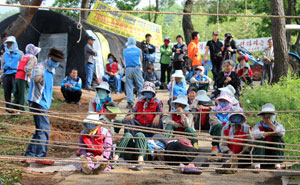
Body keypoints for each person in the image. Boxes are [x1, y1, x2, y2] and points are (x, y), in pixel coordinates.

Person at [24, 48, 64, 164]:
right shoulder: (40, 67)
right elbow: (36, 78)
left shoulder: (52, 69)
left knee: (39, 130)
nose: (56, 63)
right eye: (54, 60)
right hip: (38, 102)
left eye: (58, 61)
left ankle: (29, 154)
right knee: (44, 129)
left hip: (44, 103)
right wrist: (38, 79)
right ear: (48, 57)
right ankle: (41, 156)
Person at [112, 82, 163, 171]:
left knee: (159, 122)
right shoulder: (140, 101)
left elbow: (160, 112)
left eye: (149, 92)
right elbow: (134, 111)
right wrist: (132, 115)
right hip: (139, 124)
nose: (147, 93)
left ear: (153, 93)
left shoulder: (158, 102)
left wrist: (158, 115)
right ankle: (125, 144)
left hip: (150, 125)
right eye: (146, 92)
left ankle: (153, 142)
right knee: (128, 121)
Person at [79, 102, 122, 174]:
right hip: (90, 155)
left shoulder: (104, 132)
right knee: (87, 161)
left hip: (101, 154)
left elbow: (108, 147)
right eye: (88, 124)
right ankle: (88, 168)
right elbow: (82, 148)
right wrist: (89, 155)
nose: (89, 126)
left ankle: (98, 168)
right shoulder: (83, 133)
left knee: (103, 162)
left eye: (92, 124)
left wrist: (102, 156)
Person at [217, 108, 252, 173]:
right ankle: (228, 166)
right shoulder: (225, 128)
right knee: (227, 159)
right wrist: (230, 153)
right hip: (229, 153)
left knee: (243, 161)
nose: (236, 119)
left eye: (238, 117)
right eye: (234, 117)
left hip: (242, 153)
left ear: (241, 118)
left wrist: (241, 153)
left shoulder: (246, 128)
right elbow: (223, 143)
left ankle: (233, 167)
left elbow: (249, 143)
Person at [252, 103, 285, 171]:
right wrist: (268, 133)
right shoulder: (258, 125)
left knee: (278, 139)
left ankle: (277, 164)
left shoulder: (278, 125)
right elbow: (255, 134)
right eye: (265, 115)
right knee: (259, 140)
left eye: (270, 115)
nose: (267, 117)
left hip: (273, 154)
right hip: (262, 154)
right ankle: (257, 165)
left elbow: (281, 133)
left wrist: (270, 124)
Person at [13, 44, 40, 111]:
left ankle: (13, 108)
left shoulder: (24, 57)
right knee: (24, 94)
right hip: (24, 77)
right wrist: (30, 78)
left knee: (17, 93)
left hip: (17, 76)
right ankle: (24, 110)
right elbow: (28, 69)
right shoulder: (32, 58)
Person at [2, 36, 23, 111]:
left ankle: (17, 108)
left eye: (11, 43)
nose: (9, 45)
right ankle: (8, 108)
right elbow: (2, 65)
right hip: (6, 74)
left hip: (16, 74)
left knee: (16, 91)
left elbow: (22, 64)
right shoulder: (5, 54)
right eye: (8, 43)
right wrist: (2, 75)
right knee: (6, 92)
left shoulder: (20, 53)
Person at [123, 37, 144, 109]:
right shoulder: (139, 50)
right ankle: (141, 101)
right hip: (137, 68)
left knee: (129, 86)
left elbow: (124, 61)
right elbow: (140, 60)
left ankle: (130, 102)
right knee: (140, 85)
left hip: (128, 69)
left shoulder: (125, 51)